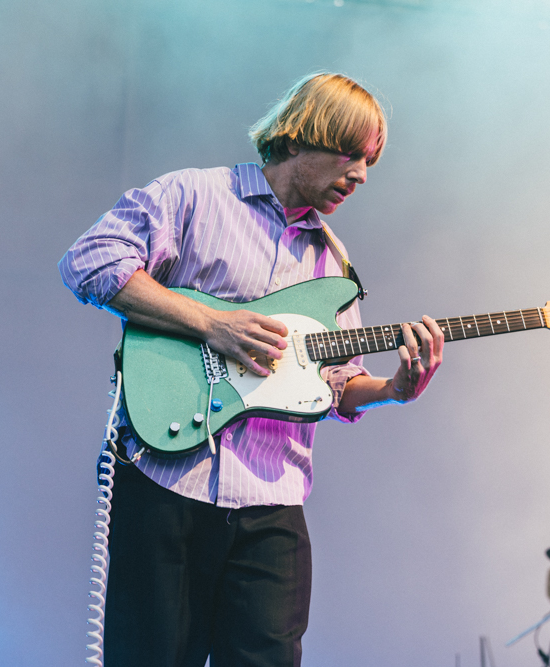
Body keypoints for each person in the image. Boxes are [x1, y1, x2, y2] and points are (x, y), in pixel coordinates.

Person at [59, 73, 444, 667]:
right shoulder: (193, 196)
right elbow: (90, 261)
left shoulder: (332, 260)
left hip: (272, 504)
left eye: (370, 163)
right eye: (351, 155)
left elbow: (340, 384)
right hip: (167, 482)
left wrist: (394, 389)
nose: (362, 175)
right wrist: (212, 324)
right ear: (300, 137)